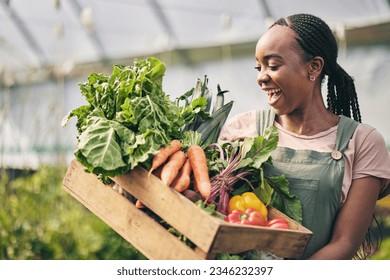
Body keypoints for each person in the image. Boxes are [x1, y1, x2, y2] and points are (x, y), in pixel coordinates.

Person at [219, 13, 390, 260]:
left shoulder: (362, 142)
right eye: (259, 67)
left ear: (314, 67)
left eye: (273, 65)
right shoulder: (241, 129)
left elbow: (344, 243)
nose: (261, 77)